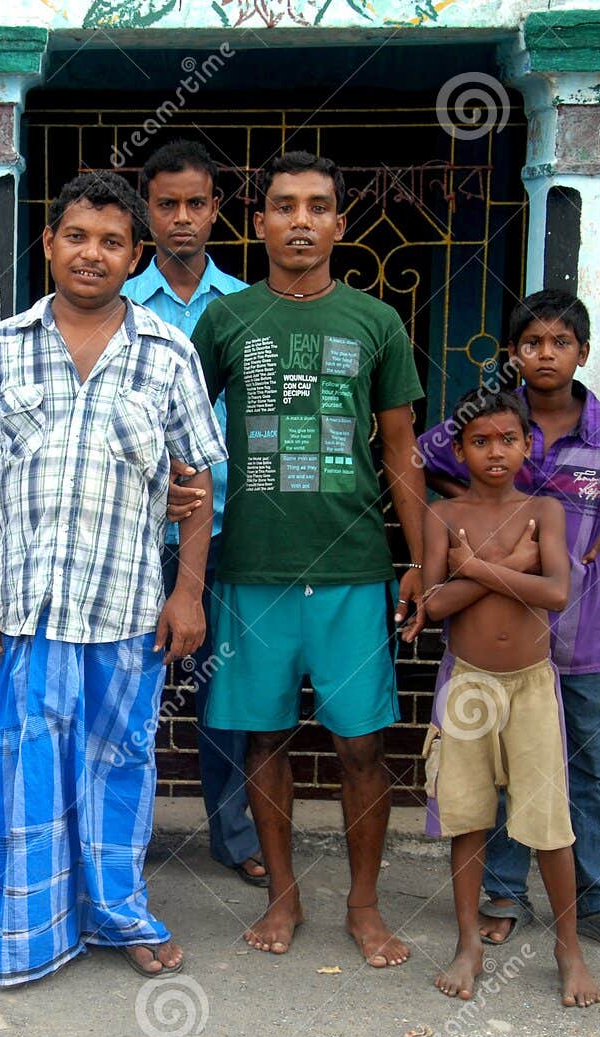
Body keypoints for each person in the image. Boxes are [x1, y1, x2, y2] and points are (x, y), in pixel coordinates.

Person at [0, 171, 226, 986]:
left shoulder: (169, 354)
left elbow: (196, 485)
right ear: (50, 243)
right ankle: (0, 919)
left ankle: (118, 910)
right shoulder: (1, 347)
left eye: (111, 241)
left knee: (119, 766)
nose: (91, 253)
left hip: (126, 606)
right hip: (21, 608)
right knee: (14, 771)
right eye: (76, 236)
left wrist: (188, 590)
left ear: (136, 256)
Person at [419, 290, 600, 957]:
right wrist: (428, 560)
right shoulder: (488, 421)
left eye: (560, 342)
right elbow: (424, 467)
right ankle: (503, 893)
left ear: (583, 351)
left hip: (573, 634)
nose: (545, 354)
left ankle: (599, 899)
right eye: (531, 342)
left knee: (583, 768)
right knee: (493, 770)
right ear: (513, 354)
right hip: (488, 646)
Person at [189, 150, 425, 968]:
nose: (299, 220)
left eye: (317, 206)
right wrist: (188, 561)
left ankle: (365, 905)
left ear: (339, 223)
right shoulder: (225, 321)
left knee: (363, 745)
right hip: (251, 566)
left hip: (355, 567)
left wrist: (419, 562)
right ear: (257, 223)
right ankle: (282, 896)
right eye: (283, 205)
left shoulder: (376, 321)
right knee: (265, 740)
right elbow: (185, 437)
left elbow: (401, 452)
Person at [402, 387, 600, 1006]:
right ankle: (469, 944)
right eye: (480, 441)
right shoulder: (442, 515)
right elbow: (432, 606)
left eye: (507, 440)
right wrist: (509, 564)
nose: (495, 451)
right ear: (458, 450)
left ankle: (569, 949)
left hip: (533, 688)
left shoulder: (547, 510)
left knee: (549, 825)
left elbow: (556, 595)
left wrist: (478, 567)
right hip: (468, 684)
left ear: (527, 446)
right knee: (467, 817)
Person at [126, 140, 262, 889]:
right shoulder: (117, 303)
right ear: (147, 210)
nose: (182, 218)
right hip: (130, 535)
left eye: (196, 203)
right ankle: (125, 832)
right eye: (167, 204)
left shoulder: (245, 304)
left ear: (216, 209)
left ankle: (232, 831)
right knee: (126, 685)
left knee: (224, 691)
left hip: (220, 532)